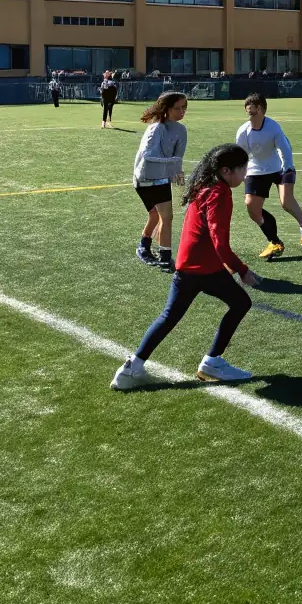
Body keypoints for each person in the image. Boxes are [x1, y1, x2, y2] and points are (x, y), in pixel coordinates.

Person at [111, 144, 262, 389]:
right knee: (241, 303)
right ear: (226, 171)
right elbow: (220, 243)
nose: (245, 173)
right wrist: (242, 269)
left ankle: (131, 368)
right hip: (206, 268)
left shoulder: (204, 186)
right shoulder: (219, 194)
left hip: (187, 265)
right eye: (243, 168)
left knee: (170, 316)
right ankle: (212, 361)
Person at [236, 93, 302, 259]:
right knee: (251, 207)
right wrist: (242, 174)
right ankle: (274, 242)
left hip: (279, 167)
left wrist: (287, 167)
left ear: (262, 110)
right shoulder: (243, 132)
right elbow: (241, 156)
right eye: (248, 114)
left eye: (253, 113)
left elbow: (284, 149)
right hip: (257, 169)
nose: (250, 117)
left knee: (286, 201)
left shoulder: (273, 127)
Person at [134, 92, 189, 271]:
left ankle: (143, 247)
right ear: (166, 109)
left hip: (161, 177)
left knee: (156, 216)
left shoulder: (181, 130)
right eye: (177, 108)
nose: (182, 111)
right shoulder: (156, 128)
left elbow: (177, 158)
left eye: (184, 108)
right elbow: (148, 157)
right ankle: (165, 259)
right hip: (146, 177)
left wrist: (178, 178)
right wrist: (171, 162)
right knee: (166, 217)